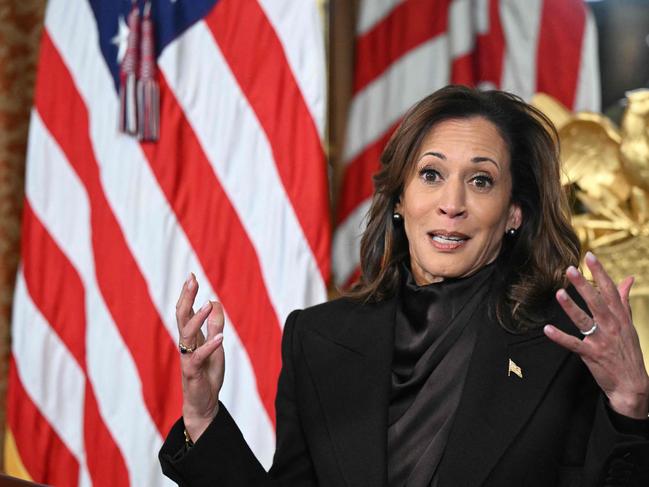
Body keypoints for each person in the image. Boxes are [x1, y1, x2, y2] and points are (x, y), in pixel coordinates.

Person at [159, 86, 649, 486]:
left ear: (514, 213)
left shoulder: (565, 341)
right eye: (431, 175)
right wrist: (202, 418)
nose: (451, 203)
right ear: (399, 198)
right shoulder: (319, 338)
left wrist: (630, 406)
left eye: (480, 181)